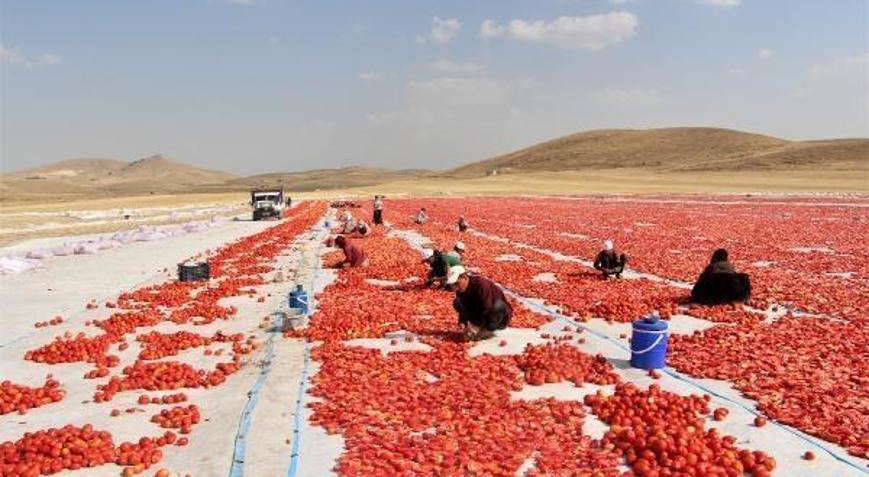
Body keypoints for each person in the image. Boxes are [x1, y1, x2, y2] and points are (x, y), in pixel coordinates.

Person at [447, 266, 512, 341]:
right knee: (457, 302)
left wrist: (477, 326)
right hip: (481, 314)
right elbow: (463, 307)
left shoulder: (480, 284)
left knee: (497, 306)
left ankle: (489, 329)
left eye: (456, 283)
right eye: (452, 284)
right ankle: (482, 329)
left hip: (499, 316)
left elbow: (487, 307)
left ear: (464, 277)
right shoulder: (460, 291)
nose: (454, 287)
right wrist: (462, 322)